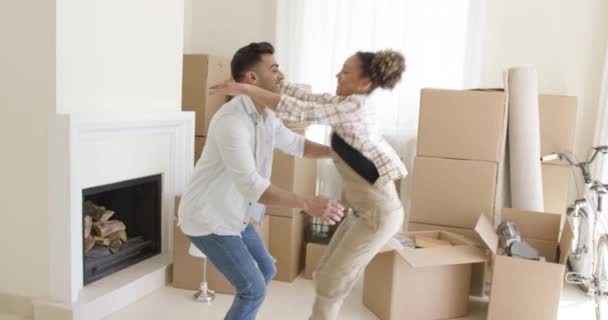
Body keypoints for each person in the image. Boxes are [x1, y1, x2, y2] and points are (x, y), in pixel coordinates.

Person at [210, 49, 407, 320]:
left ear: (364, 83)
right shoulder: (345, 101)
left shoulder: (354, 107)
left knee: (331, 285)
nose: (338, 74)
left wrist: (244, 89)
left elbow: (300, 111)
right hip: (363, 211)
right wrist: (282, 83)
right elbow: (311, 100)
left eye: (346, 71)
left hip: (378, 213)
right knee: (324, 273)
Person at [178, 42, 345, 320]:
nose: (281, 76)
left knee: (266, 270)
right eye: (275, 69)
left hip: (234, 216)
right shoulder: (232, 122)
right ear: (251, 78)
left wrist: (336, 154)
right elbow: (252, 186)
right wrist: (307, 202)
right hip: (209, 219)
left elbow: (296, 144)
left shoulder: (265, 114)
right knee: (253, 290)